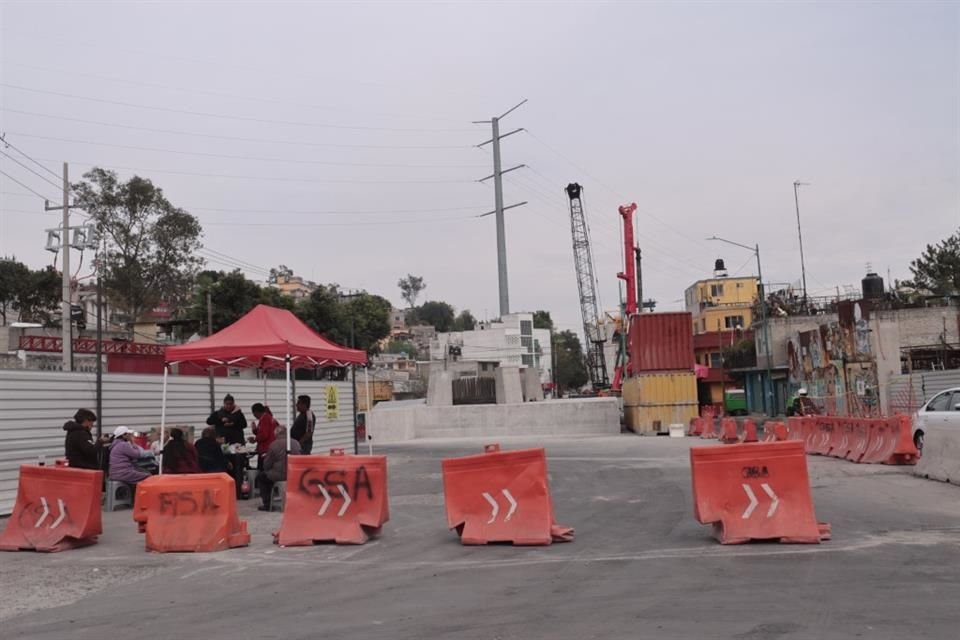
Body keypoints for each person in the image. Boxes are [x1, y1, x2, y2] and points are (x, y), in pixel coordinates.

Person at [258, 425, 299, 511]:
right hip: (295, 473)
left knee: (261, 477)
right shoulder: (296, 443)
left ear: (276, 434)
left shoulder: (274, 445)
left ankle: (267, 504)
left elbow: (266, 465)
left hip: (280, 475)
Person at [248, 403, 278, 469]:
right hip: (269, 448)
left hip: (266, 449)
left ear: (255, 412)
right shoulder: (268, 418)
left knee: (262, 469)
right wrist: (255, 430)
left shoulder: (265, 419)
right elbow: (263, 432)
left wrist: (255, 439)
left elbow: (264, 435)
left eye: (253, 413)